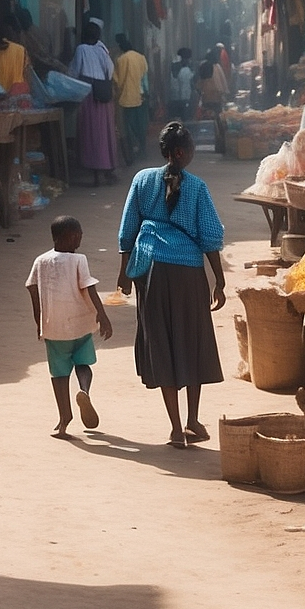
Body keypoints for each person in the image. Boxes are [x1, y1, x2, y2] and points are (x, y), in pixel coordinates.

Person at [117, 121, 227, 449]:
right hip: (188, 273)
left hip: (149, 270)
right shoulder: (196, 188)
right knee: (191, 342)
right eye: (191, 147)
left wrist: (123, 274)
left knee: (162, 344)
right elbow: (210, 237)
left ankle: (177, 428)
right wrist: (219, 280)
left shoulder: (141, 179)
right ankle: (193, 419)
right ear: (180, 152)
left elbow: (127, 231)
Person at [26, 215, 114, 438]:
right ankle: (84, 390)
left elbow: (32, 290)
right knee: (83, 363)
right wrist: (103, 316)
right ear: (71, 236)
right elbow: (89, 288)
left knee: (59, 373)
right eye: (79, 235)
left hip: (54, 327)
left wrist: (39, 322)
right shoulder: (79, 260)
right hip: (81, 324)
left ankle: (64, 419)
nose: (80, 239)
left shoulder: (40, 261)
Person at [69, 19, 117, 187]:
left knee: (90, 133)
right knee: (105, 132)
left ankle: (95, 173)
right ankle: (107, 168)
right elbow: (110, 70)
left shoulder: (81, 49)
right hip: (103, 93)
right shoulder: (102, 49)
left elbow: (74, 71)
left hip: (88, 94)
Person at [112, 34, 150, 163]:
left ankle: (131, 151)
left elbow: (116, 80)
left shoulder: (120, 59)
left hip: (125, 98)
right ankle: (143, 148)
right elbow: (144, 78)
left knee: (128, 126)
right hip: (140, 96)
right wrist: (146, 92)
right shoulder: (141, 58)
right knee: (140, 123)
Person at [170, 47, 196, 122]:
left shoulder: (175, 66)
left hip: (177, 96)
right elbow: (192, 82)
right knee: (185, 117)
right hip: (184, 96)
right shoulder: (187, 68)